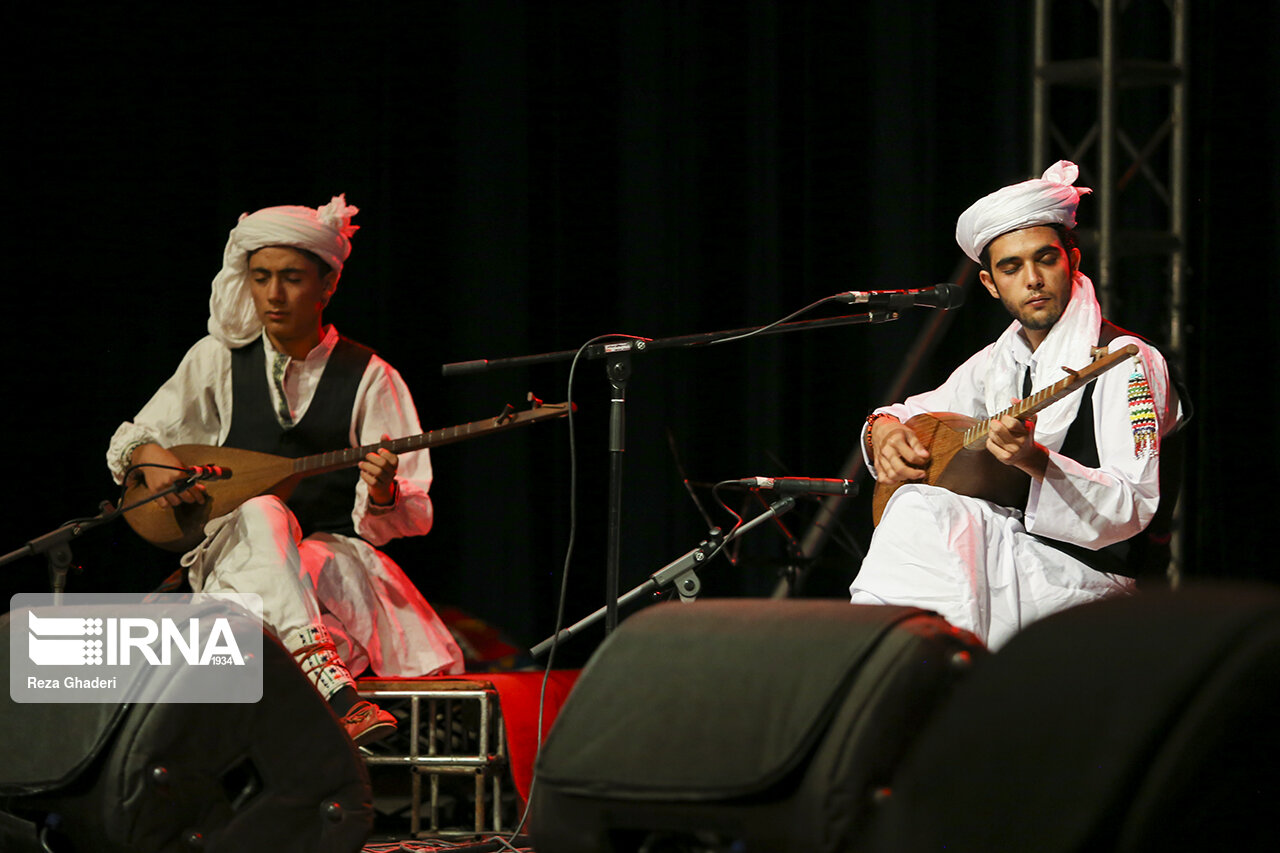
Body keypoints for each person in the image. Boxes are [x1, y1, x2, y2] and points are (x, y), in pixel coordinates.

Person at [107, 195, 463, 744]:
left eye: (292, 277)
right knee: (261, 513)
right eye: (261, 276)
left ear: (327, 285)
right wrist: (152, 462)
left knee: (276, 565)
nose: (273, 294)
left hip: (329, 570)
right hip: (235, 555)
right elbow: (138, 437)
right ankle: (335, 693)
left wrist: (385, 492)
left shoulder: (371, 377)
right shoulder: (216, 359)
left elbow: (413, 515)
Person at [850, 161, 1186, 650]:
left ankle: (907, 667)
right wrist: (882, 427)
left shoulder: (1124, 361)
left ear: (1072, 260)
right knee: (918, 506)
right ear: (990, 284)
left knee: (924, 513)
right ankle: (900, 664)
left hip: (1088, 583)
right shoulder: (997, 362)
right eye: (1011, 267)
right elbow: (910, 412)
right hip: (1010, 566)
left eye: (1045, 259)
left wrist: (1035, 460)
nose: (1032, 279)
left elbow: (1133, 506)